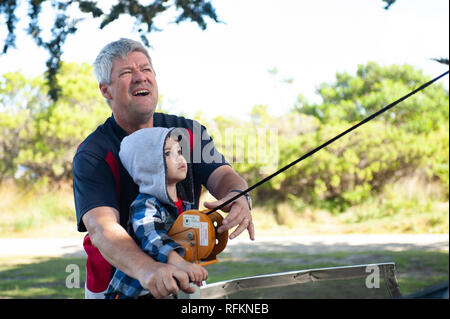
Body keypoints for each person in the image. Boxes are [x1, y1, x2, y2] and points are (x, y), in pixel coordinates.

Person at [73, 38, 254, 299]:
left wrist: (240, 196)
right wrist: (148, 269)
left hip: (183, 275)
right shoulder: (93, 152)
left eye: (146, 69)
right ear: (106, 90)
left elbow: (224, 175)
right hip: (116, 285)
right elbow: (102, 228)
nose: (140, 77)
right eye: (126, 72)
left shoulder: (188, 132)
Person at [105, 127, 208, 299]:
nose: (179, 158)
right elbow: (152, 237)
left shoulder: (186, 203)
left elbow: (190, 241)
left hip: (168, 290)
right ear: (147, 164)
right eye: (168, 153)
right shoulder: (145, 204)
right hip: (135, 292)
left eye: (179, 151)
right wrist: (179, 262)